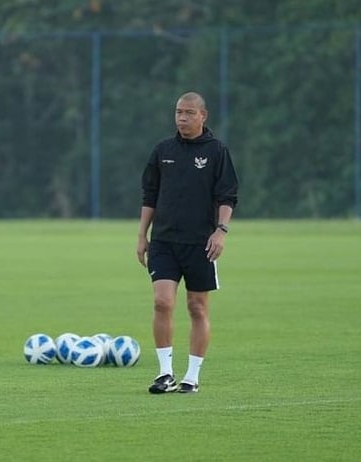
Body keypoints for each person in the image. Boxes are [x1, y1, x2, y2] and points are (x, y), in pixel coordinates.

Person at [137, 91, 239, 394]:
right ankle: (164, 374)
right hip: (164, 241)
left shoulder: (217, 151)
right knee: (162, 301)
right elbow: (149, 196)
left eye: (189, 113)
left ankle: (191, 377)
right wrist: (142, 234)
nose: (182, 118)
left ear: (203, 116)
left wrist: (221, 230)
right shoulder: (162, 151)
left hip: (200, 243)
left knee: (197, 307)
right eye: (178, 112)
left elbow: (227, 196)